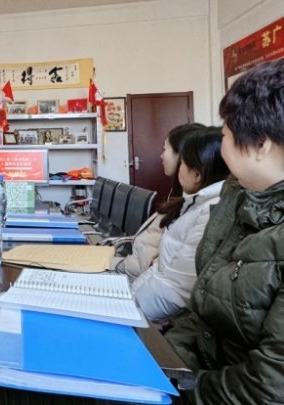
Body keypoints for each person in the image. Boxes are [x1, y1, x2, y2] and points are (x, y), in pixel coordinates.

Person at [165, 59, 284, 403]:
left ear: (260, 144)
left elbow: (266, 389)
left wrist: (181, 388)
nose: (222, 144)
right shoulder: (239, 193)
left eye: (226, 134)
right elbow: (203, 309)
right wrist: (166, 362)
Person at [130, 126, 229, 323]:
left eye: (183, 162)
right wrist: (129, 299)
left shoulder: (209, 212)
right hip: (152, 305)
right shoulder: (195, 203)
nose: (178, 169)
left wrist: (129, 307)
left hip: (167, 321)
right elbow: (161, 271)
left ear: (197, 174)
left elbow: (175, 286)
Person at [111, 123, 205, 280]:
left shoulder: (194, 207)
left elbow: (156, 268)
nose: (161, 156)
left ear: (182, 155)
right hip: (135, 272)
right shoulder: (179, 196)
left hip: (136, 277)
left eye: (165, 149)